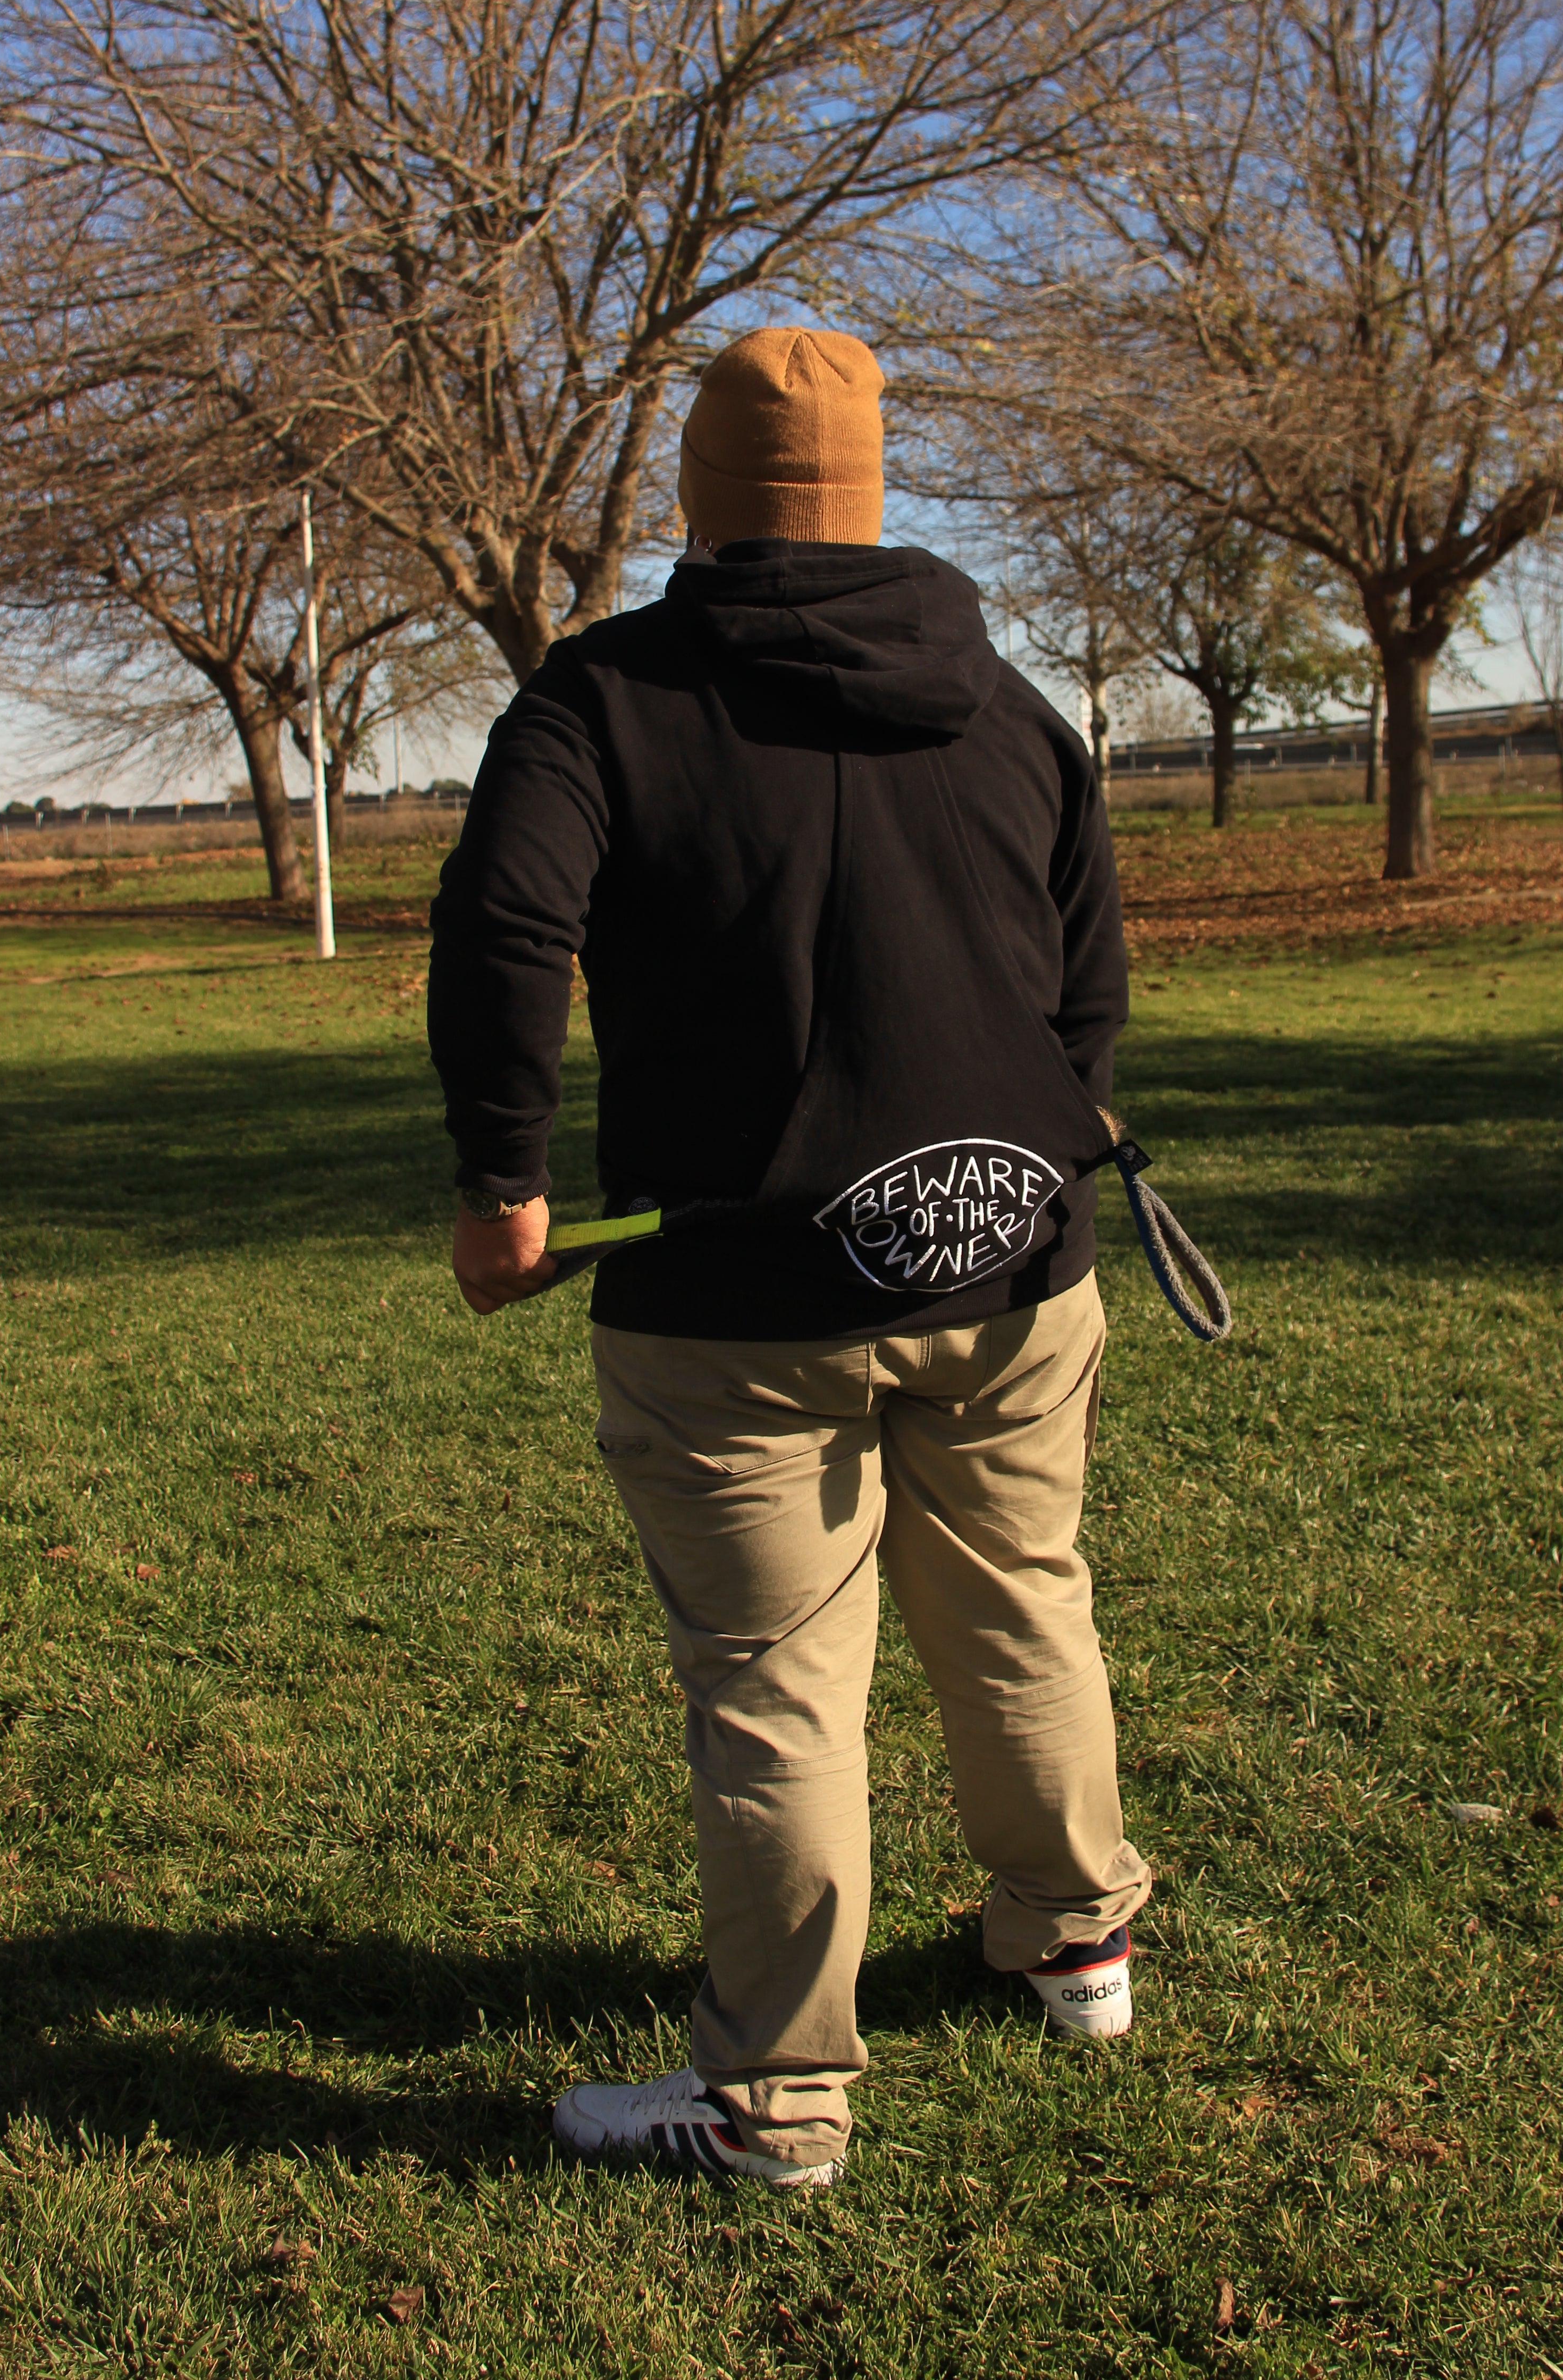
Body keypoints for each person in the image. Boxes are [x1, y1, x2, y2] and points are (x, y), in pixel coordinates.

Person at [427, 326, 1149, 2192]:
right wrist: (1034, 1139)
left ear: (698, 494)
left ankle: (772, 2107)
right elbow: (1093, 990)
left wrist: (504, 1177)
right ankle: (1074, 1942)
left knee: (773, 1677)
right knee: (1023, 1599)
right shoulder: (1007, 702)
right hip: (1014, 1268)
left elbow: (507, 929)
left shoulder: (599, 698)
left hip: (742, 1299)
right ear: (875, 487)